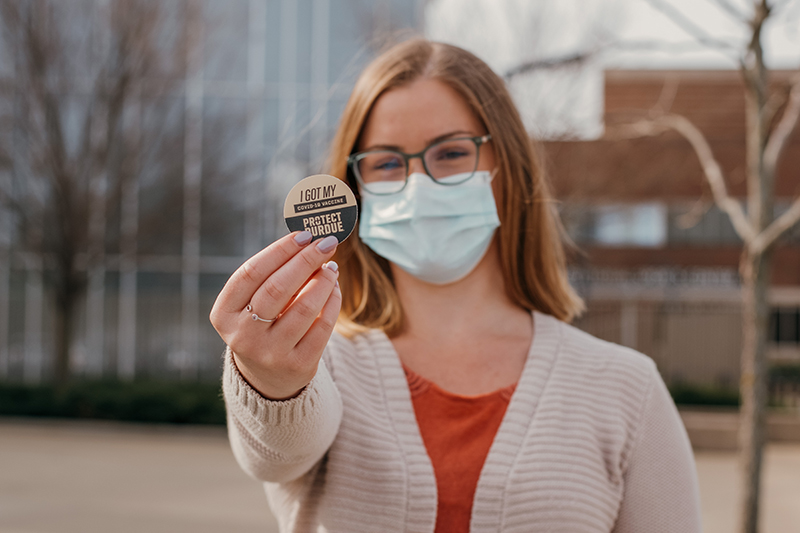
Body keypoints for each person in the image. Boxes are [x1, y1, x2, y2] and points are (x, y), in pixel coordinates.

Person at [210, 38, 702, 533]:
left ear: (506, 168)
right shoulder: (318, 366)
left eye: (450, 152)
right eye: (385, 162)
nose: (419, 182)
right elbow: (274, 456)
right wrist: (271, 384)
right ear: (355, 189)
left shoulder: (626, 392)